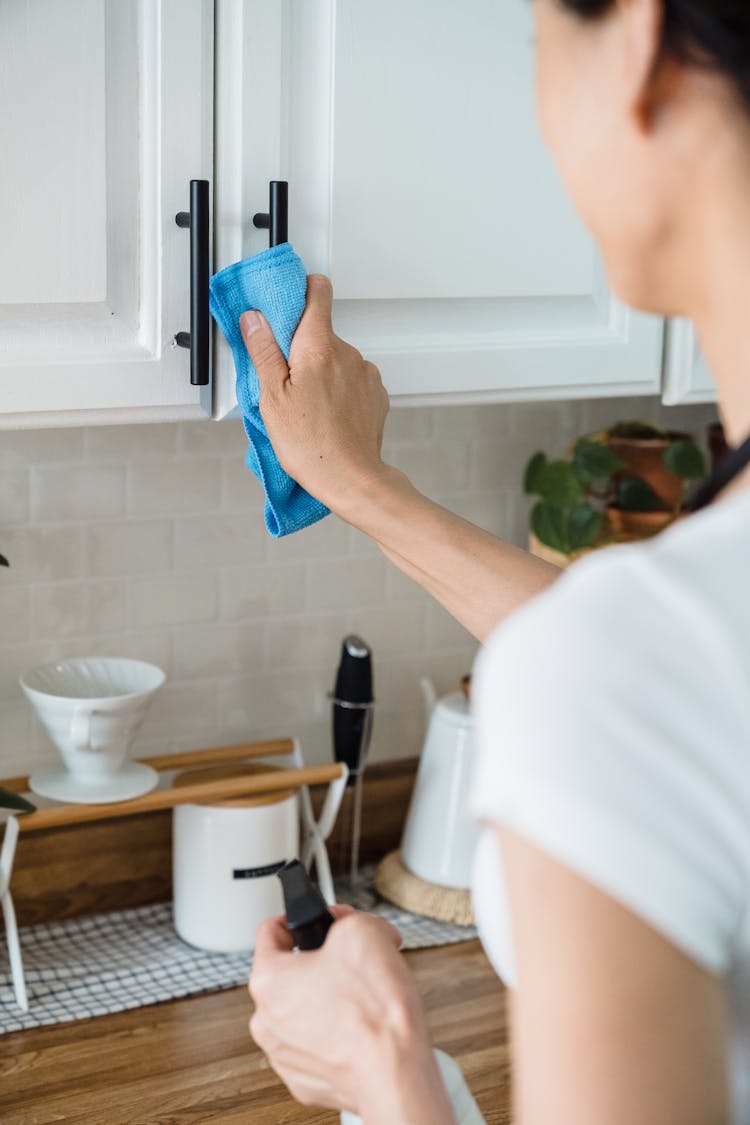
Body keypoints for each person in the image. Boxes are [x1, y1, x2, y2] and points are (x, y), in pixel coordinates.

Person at [242, 1, 750, 1121]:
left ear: (637, 46)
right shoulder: (655, 647)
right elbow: (673, 675)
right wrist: (360, 485)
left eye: (538, 49)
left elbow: (641, 675)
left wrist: (383, 1064)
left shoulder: (627, 666)